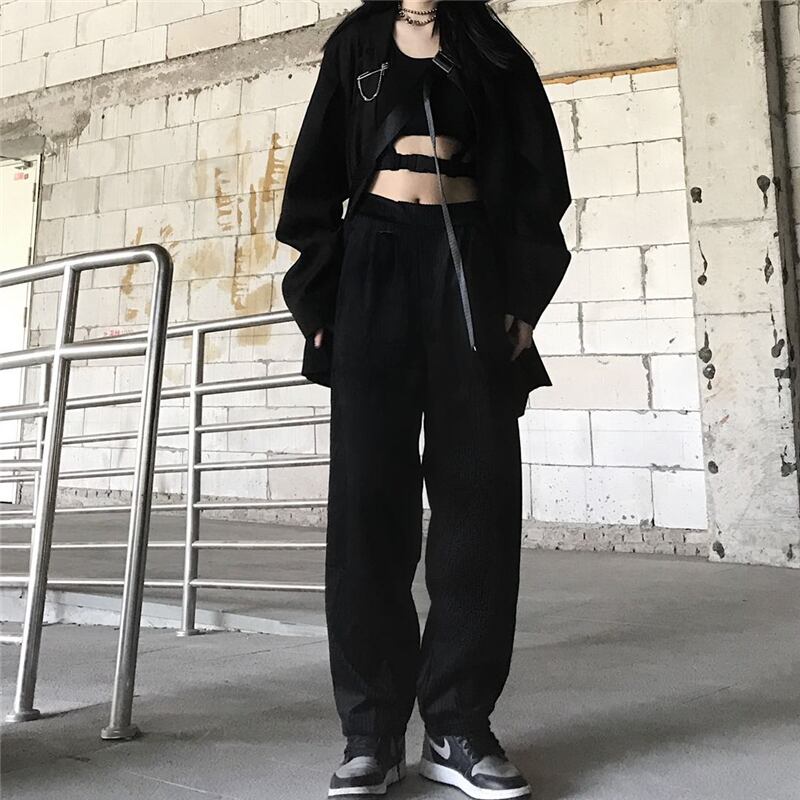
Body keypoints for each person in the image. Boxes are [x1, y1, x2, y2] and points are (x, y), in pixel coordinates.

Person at [275, 2, 573, 797]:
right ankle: (371, 733)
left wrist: (523, 297)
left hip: (468, 265)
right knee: (367, 504)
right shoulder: (355, 46)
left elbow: (540, 177)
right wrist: (321, 299)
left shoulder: (491, 49)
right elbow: (313, 178)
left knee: (479, 496)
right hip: (372, 262)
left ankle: (458, 728)